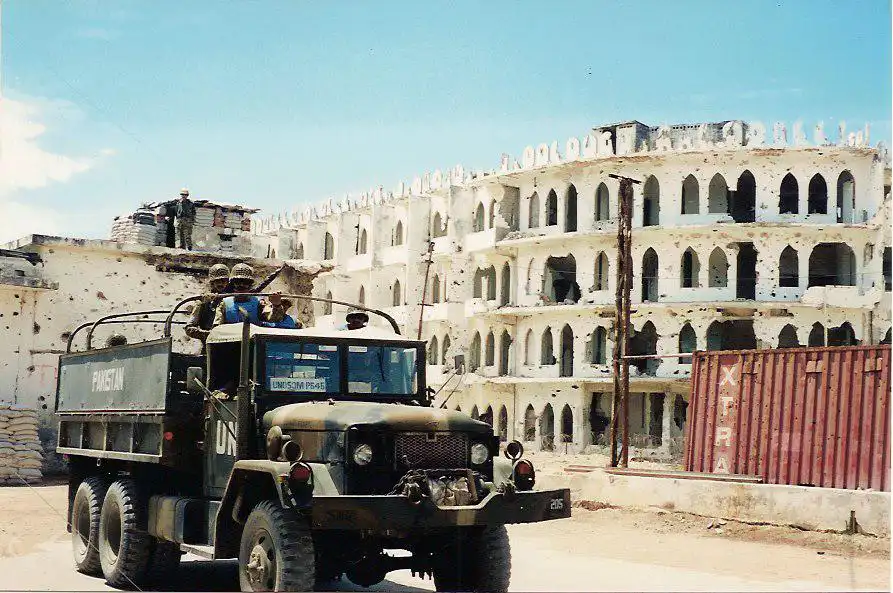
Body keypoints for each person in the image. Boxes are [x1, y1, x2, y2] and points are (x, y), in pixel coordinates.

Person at [185, 263, 230, 344]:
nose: (221, 284)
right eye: (217, 281)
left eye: (223, 281)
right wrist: (208, 334)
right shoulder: (203, 301)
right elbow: (189, 328)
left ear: (227, 282)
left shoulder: (230, 300)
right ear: (212, 282)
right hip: (209, 343)